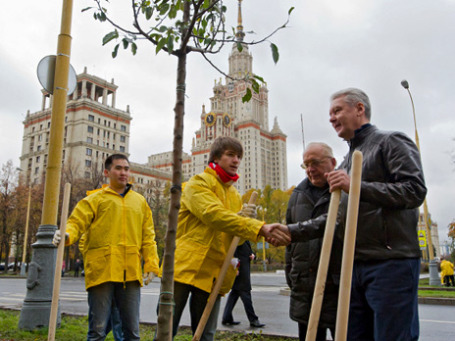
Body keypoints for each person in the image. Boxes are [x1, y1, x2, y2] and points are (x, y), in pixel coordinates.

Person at [324, 88, 427, 340]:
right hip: (353, 265)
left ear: (359, 109)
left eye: (337, 110)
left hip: (390, 263)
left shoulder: (390, 141)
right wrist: (289, 231)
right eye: (330, 114)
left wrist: (355, 186)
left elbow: (414, 191)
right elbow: (337, 219)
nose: (331, 118)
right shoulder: (346, 161)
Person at [170, 136, 290, 341]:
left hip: (213, 273)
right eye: (230, 155)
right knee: (166, 329)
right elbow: (213, 215)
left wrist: (253, 228)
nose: (236, 161)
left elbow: (236, 235)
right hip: (184, 268)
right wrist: (258, 227)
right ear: (216, 158)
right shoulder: (197, 184)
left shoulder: (235, 195)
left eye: (239, 157)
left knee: (205, 334)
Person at [53, 154, 160, 340]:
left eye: (126, 169)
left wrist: (151, 264)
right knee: (97, 331)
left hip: (130, 274)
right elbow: (77, 222)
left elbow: (148, 237)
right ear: (107, 172)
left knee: (132, 333)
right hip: (102, 272)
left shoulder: (140, 202)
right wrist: (67, 235)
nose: (123, 173)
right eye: (118, 168)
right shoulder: (94, 200)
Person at [285, 142, 342, 341]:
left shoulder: (344, 189)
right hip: (305, 289)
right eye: (306, 164)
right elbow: (290, 242)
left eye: (315, 163)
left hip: (338, 288)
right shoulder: (297, 195)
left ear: (333, 162)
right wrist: (292, 276)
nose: (310, 169)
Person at [222, 240, 265, 328]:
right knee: (245, 293)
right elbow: (232, 253)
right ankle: (253, 320)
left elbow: (248, 251)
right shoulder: (237, 236)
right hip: (240, 270)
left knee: (234, 294)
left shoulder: (244, 237)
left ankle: (226, 318)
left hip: (244, 268)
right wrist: (235, 268)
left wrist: (253, 255)